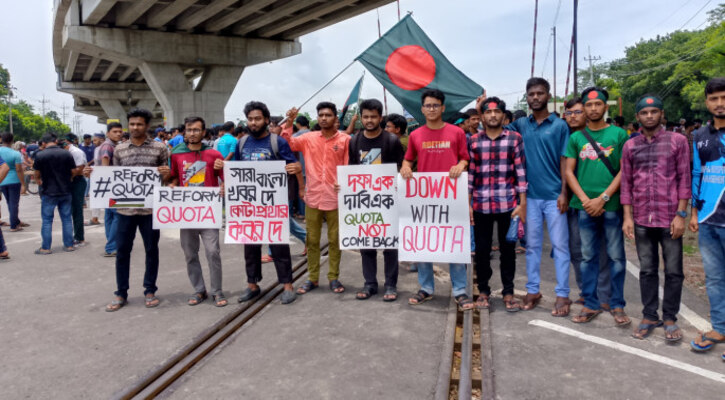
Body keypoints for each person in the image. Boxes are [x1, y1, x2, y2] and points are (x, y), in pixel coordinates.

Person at [621, 94, 690, 341]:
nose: (649, 116)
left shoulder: (678, 141)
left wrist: (681, 215)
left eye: (654, 112)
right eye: (644, 113)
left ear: (662, 114)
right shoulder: (630, 146)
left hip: (670, 217)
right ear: (637, 116)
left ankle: (670, 317)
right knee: (647, 270)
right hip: (641, 218)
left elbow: (684, 179)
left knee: (673, 271)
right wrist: (627, 217)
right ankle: (650, 315)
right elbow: (626, 184)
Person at [217, 101, 301, 304]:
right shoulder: (242, 143)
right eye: (250, 119)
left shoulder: (277, 142)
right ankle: (252, 285)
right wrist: (226, 184)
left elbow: (291, 165)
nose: (253, 122)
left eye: (257, 119)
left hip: (273, 204)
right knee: (250, 245)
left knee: (279, 245)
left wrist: (295, 169)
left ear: (265, 119)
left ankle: (287, 285)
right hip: (248, 205)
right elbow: (236, 169)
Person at [400, 89, 472, 310]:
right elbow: (408, 159)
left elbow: (464, 159)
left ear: (442, 108)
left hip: (451, 196)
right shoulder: (415, 135)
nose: (431, 109)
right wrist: (404, 167)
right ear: (422, 109)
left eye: (435, 105)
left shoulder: (456, 133)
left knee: (454, 243)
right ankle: (426, 288)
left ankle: (460, 290)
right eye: (427, 105)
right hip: (425, 198)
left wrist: (460, 165)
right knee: (424, 245)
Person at [505, 77, 571, 316]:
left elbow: (565, 160)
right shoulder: (521, 124)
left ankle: (563, 294)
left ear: (548, 96)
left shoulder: (560, 125)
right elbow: (495, 129)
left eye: (540, 93)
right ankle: (533, 290)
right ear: (527, 96)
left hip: (555, 196)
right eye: (531, 94)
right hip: (529, 198)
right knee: (532, 246)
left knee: (560, 246)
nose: (535, 98)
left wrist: (564, 192)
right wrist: (483, 107)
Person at [565, 87, 630, 326]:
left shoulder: (619, 135)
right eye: (588, 106)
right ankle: (591, 303)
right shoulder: (576, 138)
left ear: (605, 107)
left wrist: (602, 198)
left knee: (616, 257)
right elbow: (569, 172)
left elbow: (625, 170)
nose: (593, 109)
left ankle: (617, 304)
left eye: (597, 105)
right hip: (583, 207)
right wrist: (585, 200)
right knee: (588, 257)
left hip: (611, 205)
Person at [105, 108, 170, 312]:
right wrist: (94, 174)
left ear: (147, 126)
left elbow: (166, 180)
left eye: (139, 124)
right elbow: (114, 178)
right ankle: (121, 292)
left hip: (150, 212)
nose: (135, 127)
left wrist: (166, 174)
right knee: (123, 251)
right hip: (125, 211)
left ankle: (150, 289)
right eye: (132, 124)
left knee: (152, 250)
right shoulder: (120, 149)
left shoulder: (160, 148)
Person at [283, 102, 350, 295]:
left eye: (328, 115)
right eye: (320, 115)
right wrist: (290, 121)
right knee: (312, 241)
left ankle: (333, 278)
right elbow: (287, 143)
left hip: (336, 198)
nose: (323, 118)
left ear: (335, 118)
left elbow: (348, 167)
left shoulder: (345, 140)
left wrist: (345, 184)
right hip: (313, 198)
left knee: (335, 240)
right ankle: (312, 278)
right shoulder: (308, 138)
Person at [343, 99, 404, 302]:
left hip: (388, 202)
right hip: (364, 202)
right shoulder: (354, 141)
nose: (369, 120)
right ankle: (369, 283)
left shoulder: (392, 141)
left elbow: (401, 170)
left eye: (373, 116)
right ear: (361, 117)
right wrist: (343, 185)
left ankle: (390, 284)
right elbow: (352, 169)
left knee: (390, 245)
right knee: (366, 243)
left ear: (381, 117)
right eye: (366, 116)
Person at [469, 97, 526, 311]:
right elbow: (471, 176)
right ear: (482, 116)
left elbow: (521, 172)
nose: (493, 115)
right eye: (488, 112)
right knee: (482, 251)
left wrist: (522, 204)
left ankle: (508, 291)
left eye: (497, 111)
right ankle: (483, 290)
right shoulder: (474, 141)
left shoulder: (514, 139)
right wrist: (468, 205)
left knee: (508, 250)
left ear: (503, 115)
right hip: (481, 205)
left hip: (508, 204)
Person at [169, 116, 227, 307]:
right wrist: (172, 186)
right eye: (189, 129)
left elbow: (226, 178)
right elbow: (174, 178)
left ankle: (217, 291)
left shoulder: (214, 155)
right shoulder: (176, 154)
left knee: (213, 252)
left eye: (196, 130)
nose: (192, 133)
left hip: (209, 212)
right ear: (184, 131)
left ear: (203, 133)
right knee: (190, 253)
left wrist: (224, 185)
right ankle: (199, 289)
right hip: (186, 213)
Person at [563, 97, 613, 309]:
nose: (573, 116)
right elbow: (566, 172)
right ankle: (586, 291)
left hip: (600, 203)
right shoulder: (567, 135)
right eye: (569, 113)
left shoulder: (607, 135)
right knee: (577, 249)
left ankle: (603, 296)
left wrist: (599, 200)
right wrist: (565, 195)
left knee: (601, 251)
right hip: (575, 204)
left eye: (577, 112)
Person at [689, 77, 725, 358]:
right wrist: (693, 212)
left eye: (724, 97)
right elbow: (697, 173)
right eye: (714, 99)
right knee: (713, 278)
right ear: (707, 102)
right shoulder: (700, 136)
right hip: (707, 220)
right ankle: (719, 327)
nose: (720, 103)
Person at [33, 133, 77, 254]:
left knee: (47, 220)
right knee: (67, 219)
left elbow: (36, 173)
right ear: (56, 141)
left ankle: (46, 248)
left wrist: (39, 181)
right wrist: (69, 178)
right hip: (65, 190)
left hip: (48, 191)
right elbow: (73, 171)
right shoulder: (66, 153)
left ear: (44, 143)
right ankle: (69, 245)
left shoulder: (40, 155)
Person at [92, 123, 123, 257]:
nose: (118, 134)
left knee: (110, 216)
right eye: (115, 132)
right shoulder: (108, 145)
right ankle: (111, 247)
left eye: (120, 132)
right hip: (111, 185)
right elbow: (105, 160)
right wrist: (108, 178)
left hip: (106, 186)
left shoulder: (110, 145)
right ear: (108, 133)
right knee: (116, 215)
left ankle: (111, 243)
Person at [61, 134, 88, 247]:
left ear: (67, 143)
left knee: (77, 210)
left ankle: (79, 237)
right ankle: (74, 236)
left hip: (77, 181)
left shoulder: (76, 152)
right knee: (70, 210)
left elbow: (80, 168)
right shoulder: (67, 152)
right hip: (70, 181)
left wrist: (69, 176)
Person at [0, 133, 28, 231]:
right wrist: (23, 184)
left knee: (9, 202)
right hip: (14, 181)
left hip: (2, 180)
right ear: (12, 141)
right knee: (14, 203)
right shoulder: (15, 153)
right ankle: (14, 225)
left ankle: (16, 221)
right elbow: (19, 170)